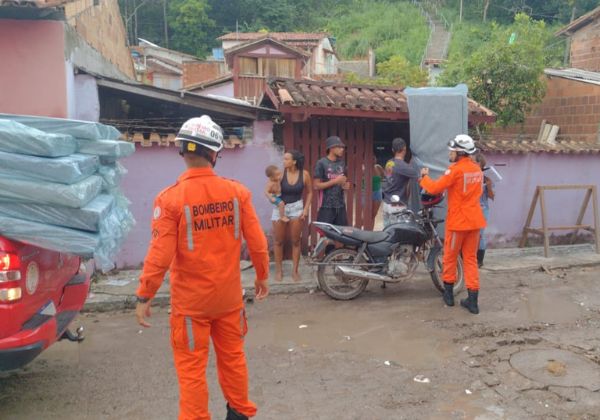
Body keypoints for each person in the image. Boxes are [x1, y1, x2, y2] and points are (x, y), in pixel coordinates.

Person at [135, 115, 270, 420]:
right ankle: (238, 414)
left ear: (182, 150)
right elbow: (258, 243)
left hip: (191, 306)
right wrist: (262, 276)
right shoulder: (237, 193)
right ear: (214, 153)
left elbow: (160, 253)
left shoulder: (170, 199)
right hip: (229, 301)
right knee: (233, 359)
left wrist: (144, 295)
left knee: (192, 371)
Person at [419, 134, 486, 314]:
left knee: (450, 256)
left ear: (459, 152)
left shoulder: (454, 170)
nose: (449, 153)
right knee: (470, 259)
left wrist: (423, 177)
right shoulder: (477, 170)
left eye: (452, 150)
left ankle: (448, 295)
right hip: (475, 221)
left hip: (458, 223)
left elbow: (433, 188)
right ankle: (473, 301)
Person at [272, 150, 313, 282]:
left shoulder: (304, 174)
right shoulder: (280, 174)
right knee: (278, 241)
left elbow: (310, 192)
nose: (283, 161)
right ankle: (279, 271)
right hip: (280, 208)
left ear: (294, 161)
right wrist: (273, 197)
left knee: (295, 241)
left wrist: (306, 209)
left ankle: (295, 271)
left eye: (286, 159)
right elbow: (270, 189)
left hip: (297, 208)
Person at [382, 137, 419, 226]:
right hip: (397, 207)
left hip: (387, 204)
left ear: (392, 149)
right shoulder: (403, 166)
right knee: (399, 235)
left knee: (387, 234)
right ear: (404, 149)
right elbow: (417, 173)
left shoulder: (389, 162)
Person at [314, 136, 350, 226]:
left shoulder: (342, 163)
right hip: (326, 206)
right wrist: (335, 181)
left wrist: (345, 185)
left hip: (340, 205)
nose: (342, 149)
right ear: (331, 148)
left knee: (340, 234)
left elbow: (343, 180)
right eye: (339, 147)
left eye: (342, 147)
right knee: (326, 236)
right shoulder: (321, 163)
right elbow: (316, 185)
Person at [474, 153, 495, 267]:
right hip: (470, 209)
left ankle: (479, 260)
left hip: (482, 210)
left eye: (478, 166)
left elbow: (492, 197)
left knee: (480, 234)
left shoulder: (486, 177)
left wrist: (489, 186)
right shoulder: (470, 176)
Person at [372, 157, 385, 222]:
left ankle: (370, 231)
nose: (373, 160)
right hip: (367, 193)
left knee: (374, 214)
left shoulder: (378, 167)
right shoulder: (364, 168)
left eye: (374, 158)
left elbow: (383, 175)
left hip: (377, 192)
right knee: (367, 214)